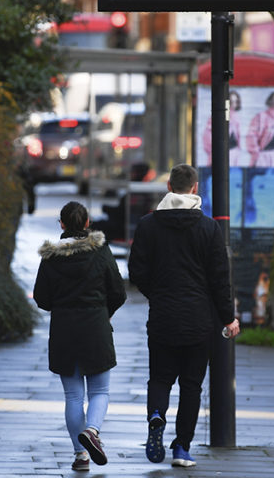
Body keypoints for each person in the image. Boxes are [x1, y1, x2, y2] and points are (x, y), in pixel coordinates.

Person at [128, 164, 240, 468]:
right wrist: (228, 316)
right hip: (198, 319)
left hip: (163, 315)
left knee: (160, 378)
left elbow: (136, 270)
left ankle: (156, 416)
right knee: (191, 385)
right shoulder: (208, 228)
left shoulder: (148, 225)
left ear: (168, 187)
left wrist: (158, 294)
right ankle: (181, 448)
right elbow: (220, 278)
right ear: (194, 188)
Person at [33, 201, 127, 472]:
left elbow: (41, 297)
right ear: (87, 224)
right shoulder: (100, 251)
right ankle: (93, 431)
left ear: (62, 224)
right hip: (95, 327)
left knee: (73, 397)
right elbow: (118, 292)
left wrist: (61, 308)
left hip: (64, 330)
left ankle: (81, 455)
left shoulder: (52, 256)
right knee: (100, 391)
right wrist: (104, 312)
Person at [203, 90, 244, 166]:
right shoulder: (216, 117)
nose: (233, 105)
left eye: (235, 102)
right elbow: (207, 135)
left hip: (234, 153)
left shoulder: (237, 117)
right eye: (231, 102)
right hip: (220, 154)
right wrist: (214, 151)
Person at [245, 90, 274, 167]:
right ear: (270, 102)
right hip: (263, 155)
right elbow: (251, 135)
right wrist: (256, 152)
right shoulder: (261, 116)